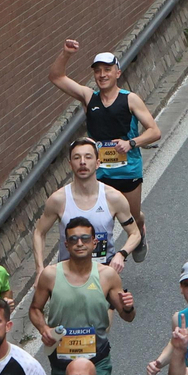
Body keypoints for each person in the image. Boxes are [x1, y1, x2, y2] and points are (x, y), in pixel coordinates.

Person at [47, 44, 160, 263]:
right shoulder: (89, 97)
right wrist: (66, 54)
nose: (102, 75)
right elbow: (56, 76)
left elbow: (155, 131)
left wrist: (131, 143)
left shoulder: (130, 99)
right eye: (97, 70)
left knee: (132, 215)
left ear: (117, 73)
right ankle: (100, 261)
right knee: (95, 219)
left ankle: (140, 229)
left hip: (127, 169)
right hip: (97, 171)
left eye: (107, 70)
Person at [28, 215, 135, 375]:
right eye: (73, 239)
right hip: (62, 360)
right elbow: (34, 309)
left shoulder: (107, 275)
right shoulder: (50, 275)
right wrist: (44, 329)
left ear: (94, 243)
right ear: (66, 245)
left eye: (85, 238)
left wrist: (128, 307)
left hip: (96, 358)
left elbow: (128, 316)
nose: (79, 243)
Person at [30, 139, 139, 276]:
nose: (82, 162)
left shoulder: (113, 198)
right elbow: (39, 233)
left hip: (104, 272)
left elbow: (135, 233)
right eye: (77, 158)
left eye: (88, 157)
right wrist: (40, 269)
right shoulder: (58, 199)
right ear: (70, 164)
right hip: (68, 274)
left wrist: (121, 254)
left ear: (98, 163)